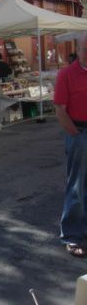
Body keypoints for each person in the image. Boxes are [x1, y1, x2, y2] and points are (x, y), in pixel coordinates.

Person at [54, 32, 87, 257]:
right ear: (78, 50)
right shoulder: (66, 74)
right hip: (79, 132)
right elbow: (60, 111)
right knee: (76, 186)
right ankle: (73, 236)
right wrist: (77, 135)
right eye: (86, 49)